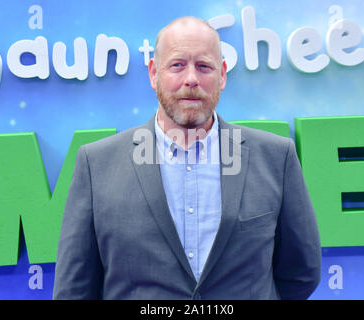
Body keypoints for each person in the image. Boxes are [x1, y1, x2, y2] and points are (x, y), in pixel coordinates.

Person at [53, 16, 321, 300]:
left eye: (204, 66)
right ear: (154, 73)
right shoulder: (96, 165)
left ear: (223, 75)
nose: (191, 79)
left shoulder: (276, 158)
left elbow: (301, 273)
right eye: (177, 65)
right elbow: (74, 290)